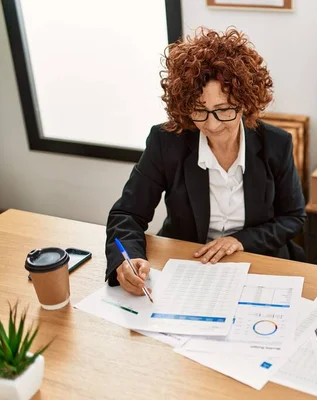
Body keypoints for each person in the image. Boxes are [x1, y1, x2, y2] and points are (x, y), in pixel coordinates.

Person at [105, 28, 306, 295]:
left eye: (223, 110)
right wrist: (126, 258)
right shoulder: (166, 142)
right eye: (199, 110)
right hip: (189, 262)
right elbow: (128, 214)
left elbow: (293, 217)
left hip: (258, 261)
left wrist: (240, 240)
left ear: (244, 103)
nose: (211, 125)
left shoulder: (276, 144)